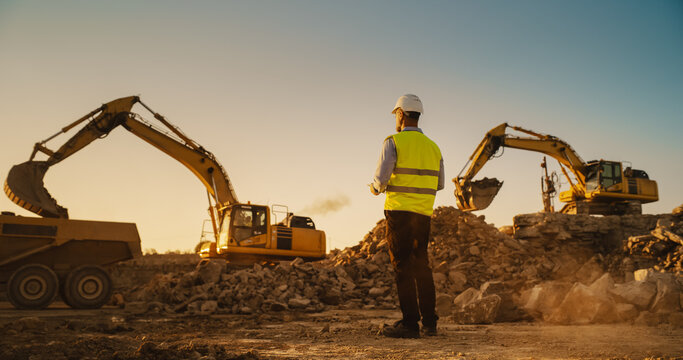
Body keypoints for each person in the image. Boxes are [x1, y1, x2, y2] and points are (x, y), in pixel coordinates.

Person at [370, 94, 444, 338]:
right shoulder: (434, 147)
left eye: (396, 115)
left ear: (401, 114)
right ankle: (430, 324)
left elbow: (380, 181)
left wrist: (374, 188)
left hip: (399, 213)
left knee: (403, 267)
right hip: (423, 214)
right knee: (422, 266)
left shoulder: (393, 141)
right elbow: (440, 184)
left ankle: (410, 324)